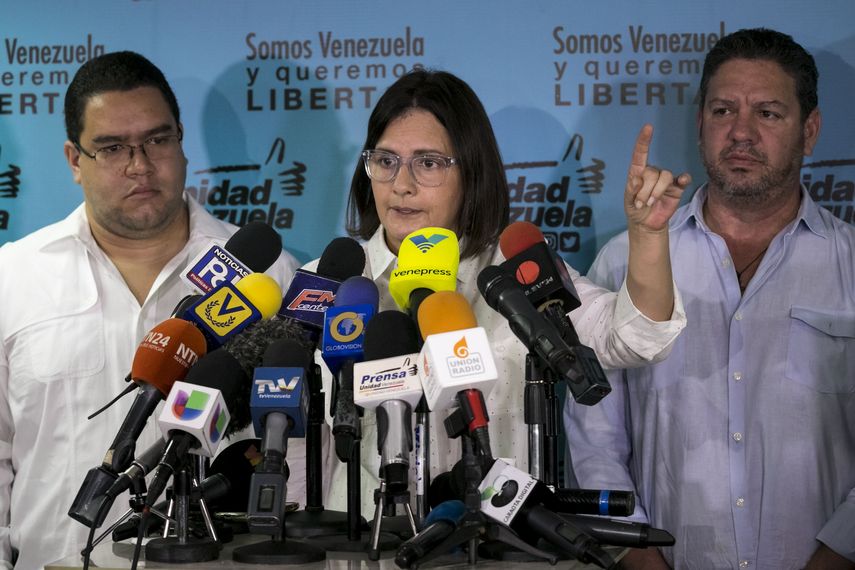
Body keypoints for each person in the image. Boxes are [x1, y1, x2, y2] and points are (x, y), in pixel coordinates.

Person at [304, 68, 688, 515]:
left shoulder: (514, 272)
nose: (402, 185)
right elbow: (301, 450)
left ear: (471, 172)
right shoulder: (328, 286)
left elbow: (635, 339)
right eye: (386, 161)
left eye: (428, 163)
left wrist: (647, 235)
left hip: (494, 537)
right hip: (361, 537)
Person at [565, 28, 855, 570]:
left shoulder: (850, 265)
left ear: (810, 131)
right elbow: (593, 442)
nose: (741, 132)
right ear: (700, 123)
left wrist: (840, 555)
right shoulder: (625, 260)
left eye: (768, 113)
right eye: (723, 111)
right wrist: (638, 557)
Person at [0, 51, 299, 569]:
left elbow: (292, 450)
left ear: (181, 141)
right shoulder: (13, 277)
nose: (139, 165)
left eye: (158, 140)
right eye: (112, 148)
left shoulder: (267, 277)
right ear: (74, 160)